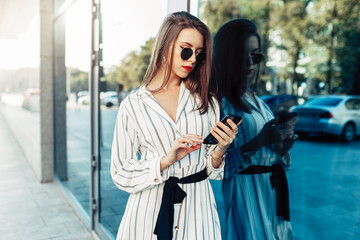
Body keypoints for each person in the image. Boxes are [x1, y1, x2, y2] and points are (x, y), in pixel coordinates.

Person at [110, 11, 238, 240]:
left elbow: (213, 169)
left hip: (198, 211)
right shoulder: (133, 105)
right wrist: (165, 160)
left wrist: (221, 148)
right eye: (186, 50)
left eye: (199, 55)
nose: (192, 60)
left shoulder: (207, 100)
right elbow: (120, 172)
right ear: (165, 46)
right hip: (148, 212)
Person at [210, 19, 298, 240]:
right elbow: (214, 167)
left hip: (272, 191)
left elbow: (271, 152)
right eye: (244, 54)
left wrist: (281, 147)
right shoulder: (219, 103)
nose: (251, 61)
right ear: (229, 56)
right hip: (246, 193)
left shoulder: (258, 100)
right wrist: (258, 142)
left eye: (256, 55)